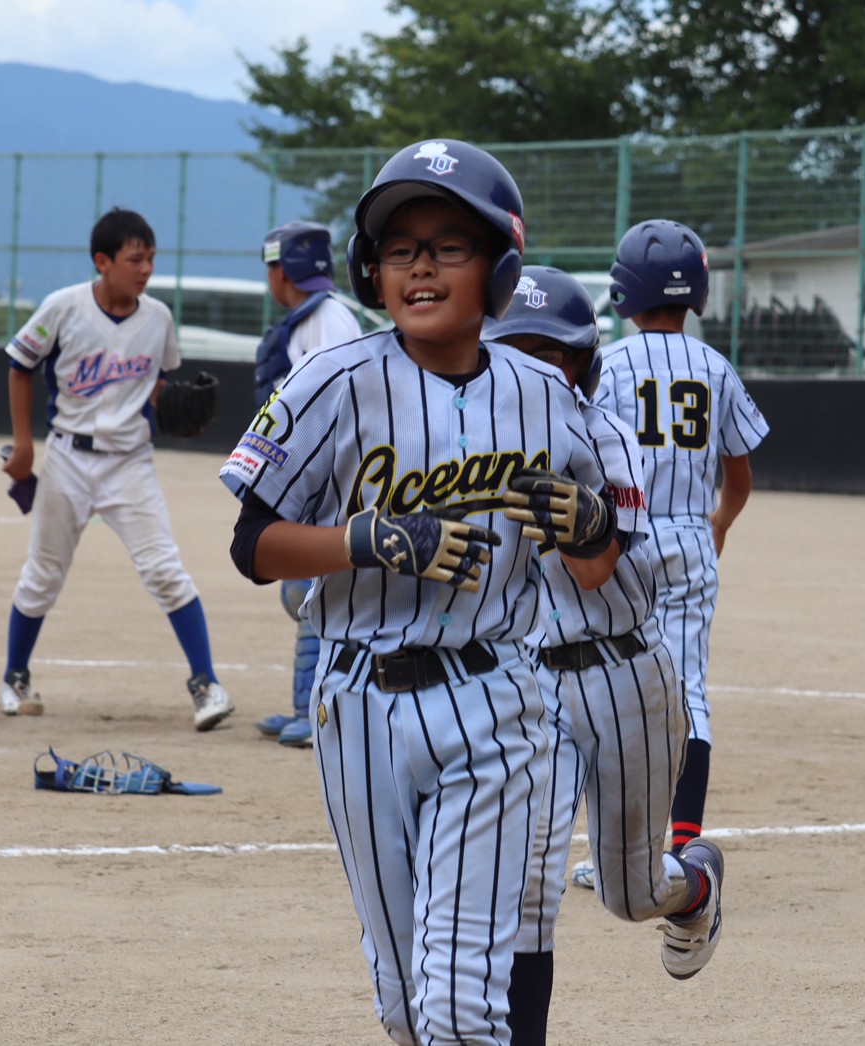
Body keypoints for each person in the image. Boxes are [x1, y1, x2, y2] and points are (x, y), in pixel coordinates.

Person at [219, 139, 616, 1045]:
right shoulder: (333, 381)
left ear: (499, 270)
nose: (422, 267)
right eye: (401, 248)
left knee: (457, 1006)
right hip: (358, 704)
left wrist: (589, 525)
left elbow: (597, 568)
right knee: (405, 1007)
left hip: (496, 706)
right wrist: (369, 539)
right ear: (371, 270)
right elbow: (253, 548)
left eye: (449, 245)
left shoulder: (546, 398)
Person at [491, 267, 724, 1044]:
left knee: (629, 893)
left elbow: (594, 572)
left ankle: (694, 891)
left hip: (626, 677)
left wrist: (568, 517)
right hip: (532, 690)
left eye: (544, 353)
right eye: (509, 350)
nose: (527, 367)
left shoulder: (605, 438)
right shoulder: (475, 444)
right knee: (525, 887)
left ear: (580, 363)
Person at [0, 206, 234, 731]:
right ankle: (15, 676)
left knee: (165, 571)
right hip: (67, 458)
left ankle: (206, 684)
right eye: (135, 259)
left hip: (131, 462)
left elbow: (158, 381)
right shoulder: (63, 307)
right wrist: (23, 445)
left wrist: (170, 405)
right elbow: (19, 366)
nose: (145, 269)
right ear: (103, 262)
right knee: (43, 577)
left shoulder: (158, 318)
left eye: (150, 258)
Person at [594, 219, 769, 859]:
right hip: (690, 541)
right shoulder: (715, 367)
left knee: (608, 687)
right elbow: (741, 475)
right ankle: (683, 846)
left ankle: (617, 849)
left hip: (620, 540)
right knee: (686, 686)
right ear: (694, 291)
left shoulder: (606, 365)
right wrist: (718, 523)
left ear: (625, 291)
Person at [249, 220, 363, 749]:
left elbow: (338, 403)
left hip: (328, 476)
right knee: (301, 592)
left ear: (284, 269)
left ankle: (319, 710)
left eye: (271, 266)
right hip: (308, 472)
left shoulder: (326, 320)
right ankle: (304, 705)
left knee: (312, 591)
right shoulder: (310, 318)